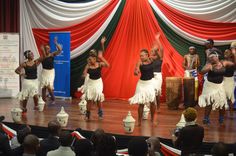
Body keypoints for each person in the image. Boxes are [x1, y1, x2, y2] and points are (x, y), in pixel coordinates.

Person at [199, 51, 236, 124]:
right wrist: (208, 68)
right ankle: (206, 118)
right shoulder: (210, 65)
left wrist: (234, 54)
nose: (212, 58)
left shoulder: (223, 63)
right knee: (209, 102)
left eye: (213, 57)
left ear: (217, 57)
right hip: (209, 86)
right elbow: (201, 72)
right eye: (210, 57)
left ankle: (221, 118)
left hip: (220, 85)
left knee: (222, 102)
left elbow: (234, 64)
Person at [82, 37, 109, 121]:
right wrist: (85, 74)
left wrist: (102, 44)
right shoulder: (88, 65)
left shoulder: (99, 64)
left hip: (98, 82)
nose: (90, 59)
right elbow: (84, 74)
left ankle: (100, 112)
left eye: (92, 58)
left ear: (95, 58)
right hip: (90, 82)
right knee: (89, 99)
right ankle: (88, 114)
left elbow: (108, 65)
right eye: (89, 58)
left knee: (98, 97)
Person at [129, 49, 155, 126]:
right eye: (140, 56)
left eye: (142, 55)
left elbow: (159, 55)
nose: (141, 57)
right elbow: (136, 70)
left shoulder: (151, 60)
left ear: (147, 55)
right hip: (141, 84)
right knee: (141, 103)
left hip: (150, 83)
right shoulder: (140, 62)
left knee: (153, 102)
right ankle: (139, 121)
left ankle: (152, 120)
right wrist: (136, 71)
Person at [40, 38, 62, 103]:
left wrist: (56, 43)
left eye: (48, 48)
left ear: (50, 49)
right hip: (44, 72)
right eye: (46, 48)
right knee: (43, 87)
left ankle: (53, 99)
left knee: (49, 86)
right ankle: (43, 100)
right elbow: (36, 63)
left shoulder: (52, 54)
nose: (47, 49)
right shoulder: (42, 57)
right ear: (44, 49)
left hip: (51, 72)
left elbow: (60, 50)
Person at [150, 34, 163, 112]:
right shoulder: (150, 59)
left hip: (158, 76)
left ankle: (158, 107)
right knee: (151, 92)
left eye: (154, 50)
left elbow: (161, 48)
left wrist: (157, 39)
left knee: (157, 92)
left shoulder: (160, 58)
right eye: (151, 50)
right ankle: (152, 106)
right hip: (151, 76)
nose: (152, 51)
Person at [223, 49, 235, 117]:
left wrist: (234, 53)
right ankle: (223, 115)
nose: (225, 53)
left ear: (230, 54)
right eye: (225, 52)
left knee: (230, 97)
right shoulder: (223, 61)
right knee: (222, 96)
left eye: (227, 52)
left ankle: (231, 114)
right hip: (223, 80)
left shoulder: (232, 61)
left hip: (230, 80)